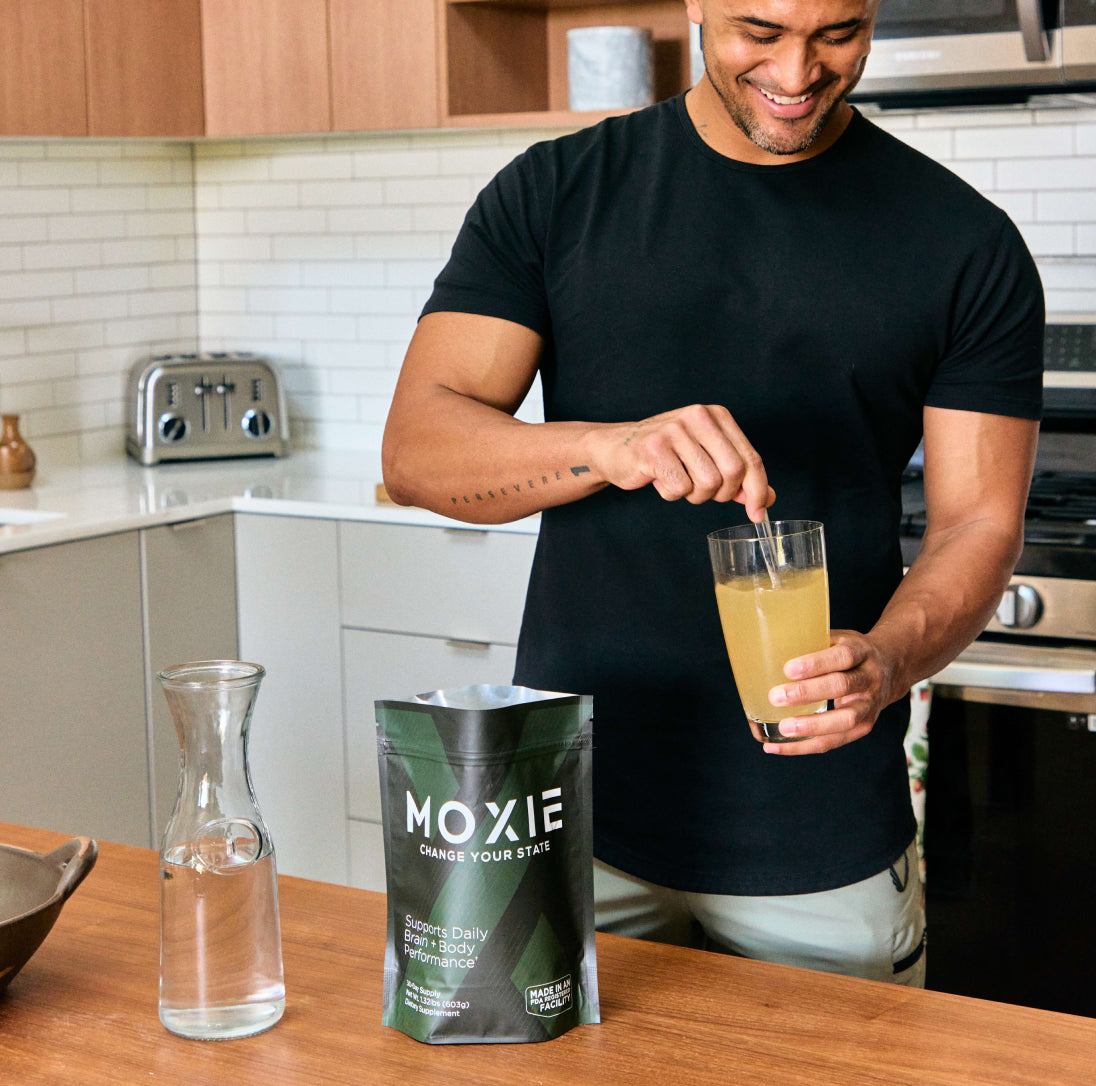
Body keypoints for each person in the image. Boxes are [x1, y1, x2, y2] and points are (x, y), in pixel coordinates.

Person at [381, 0, 1043, 987]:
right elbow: (416, 453)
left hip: (817, 826)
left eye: (838, 34)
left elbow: (979, 523)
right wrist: (610, 447)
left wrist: (889, 660)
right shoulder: (557, 192)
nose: (798, 72)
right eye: (759, 32)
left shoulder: (963, 242)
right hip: (568, 804)